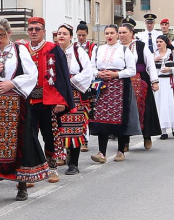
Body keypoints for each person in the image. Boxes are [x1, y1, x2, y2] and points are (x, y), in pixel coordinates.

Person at [0, 18, 42, 204]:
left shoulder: (20, 50)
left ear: (9, 34)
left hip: (15, 103)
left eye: (1, 35)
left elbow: (32, 74)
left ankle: (21, 186)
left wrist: (13, 82)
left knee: (19, 142)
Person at [21, 17, 73, 183]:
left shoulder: (53, 48)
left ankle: (52, 168)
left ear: (43, 31)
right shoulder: (22, 49)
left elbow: (62, 76)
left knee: (49, 136)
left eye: (37, 29)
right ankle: (31, 171)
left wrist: (60, 100)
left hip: (47, 102)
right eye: (31, 29)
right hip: (28, 101)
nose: (34, 32)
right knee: (29, 137)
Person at [88, 25, 140, 162]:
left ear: (117, 34)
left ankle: (121, 150)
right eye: (107, 33)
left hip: (119, 86)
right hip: (102, 86)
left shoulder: (124, 50)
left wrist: (116, 74)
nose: (109, 36)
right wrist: (98, 73)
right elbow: (91, 67)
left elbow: (131, 70)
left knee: (120, 117)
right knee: (101, 117)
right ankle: (101, 152)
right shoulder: (98, 49)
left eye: (112, 33)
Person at [54, 23, 94, 174]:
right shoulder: (52, 51)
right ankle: (59, 157)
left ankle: (73, 164)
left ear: (71, 36)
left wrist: (68, 82)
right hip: (56, 94)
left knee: (74, 129)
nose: (61, 36)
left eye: (64, 33)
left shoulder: (78, 51)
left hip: (73, 94)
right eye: (59, 33)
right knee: (56, 128)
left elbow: (87, 72)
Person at [119, 19, 161, 150]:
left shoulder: (140, 46)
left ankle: (147, 136)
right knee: (125, 110)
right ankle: (124, 141)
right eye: (119, 33)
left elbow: (150, 64)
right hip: (122, 80)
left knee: (145, 109)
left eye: (124, 32)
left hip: (141, 80)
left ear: (131, 33)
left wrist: (154, 81)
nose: (121, 35)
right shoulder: (117, 47)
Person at [153, 35, 174, 138]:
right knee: (160, 105)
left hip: (170, 82)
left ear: (166, 43)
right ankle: (163, 130)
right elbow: (149, 69)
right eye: (157, 41)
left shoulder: (173, 54)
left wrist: (170, 69)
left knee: (171, 104)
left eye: (160, 41)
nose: (158, 43)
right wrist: (153, 61)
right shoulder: (154, 54)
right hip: (158, 82)